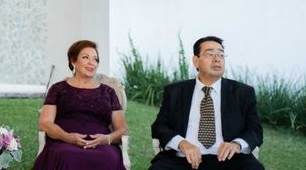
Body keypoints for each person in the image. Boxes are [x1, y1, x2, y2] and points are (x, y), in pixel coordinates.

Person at [149, 36, 264, 170]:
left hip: (230, 160)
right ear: (196, 61)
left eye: (221, 54)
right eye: (210, 54)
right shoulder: (175, 91)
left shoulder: (243, 92)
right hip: (182, 159)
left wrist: (237, 144)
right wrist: (182, 143)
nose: (217, 58)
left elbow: (255, 130)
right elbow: (159, 126)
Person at [33, 40, 128, 170]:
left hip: (102, 145)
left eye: (95, 59)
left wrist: (106, 139)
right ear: (73, 61)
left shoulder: (109, 92)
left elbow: (122, 129)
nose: (92, 63)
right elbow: (45, 123)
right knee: (67, 156)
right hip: (63, 142)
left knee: (109, 158)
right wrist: (68, 137)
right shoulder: (58, 89)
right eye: (85, 57)